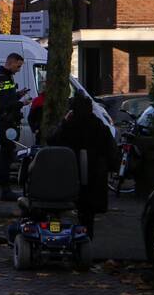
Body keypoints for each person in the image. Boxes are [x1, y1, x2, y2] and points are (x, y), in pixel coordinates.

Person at [48, 94, 119, 239]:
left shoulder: (68, 126)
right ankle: (86, 238)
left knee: (59, 211)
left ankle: (58, 236)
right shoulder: (99, 126)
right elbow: (112, 151)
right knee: (88, 214)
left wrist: (63, 122)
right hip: (93, 179)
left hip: (68, 177)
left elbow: (52, 140)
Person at [0, 52, 30, 201]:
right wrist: (22, 103)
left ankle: (6, 189)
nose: (19, 69)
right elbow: (4, 105)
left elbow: (7, 97)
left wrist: (19, 94)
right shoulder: (2, 79)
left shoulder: (6, 77)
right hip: (6, 122)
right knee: (6, 157)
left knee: (8, 155)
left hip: (8, 121)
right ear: (11, 62)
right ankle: (5, 191)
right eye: (18, 66)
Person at [27, 79, 47, 144]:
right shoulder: (37, 100)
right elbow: (30, 117)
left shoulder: (37, 100)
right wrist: (35, 129)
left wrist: (35, 129)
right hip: (41, 133)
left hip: (45, 132)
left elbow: (30, 117)